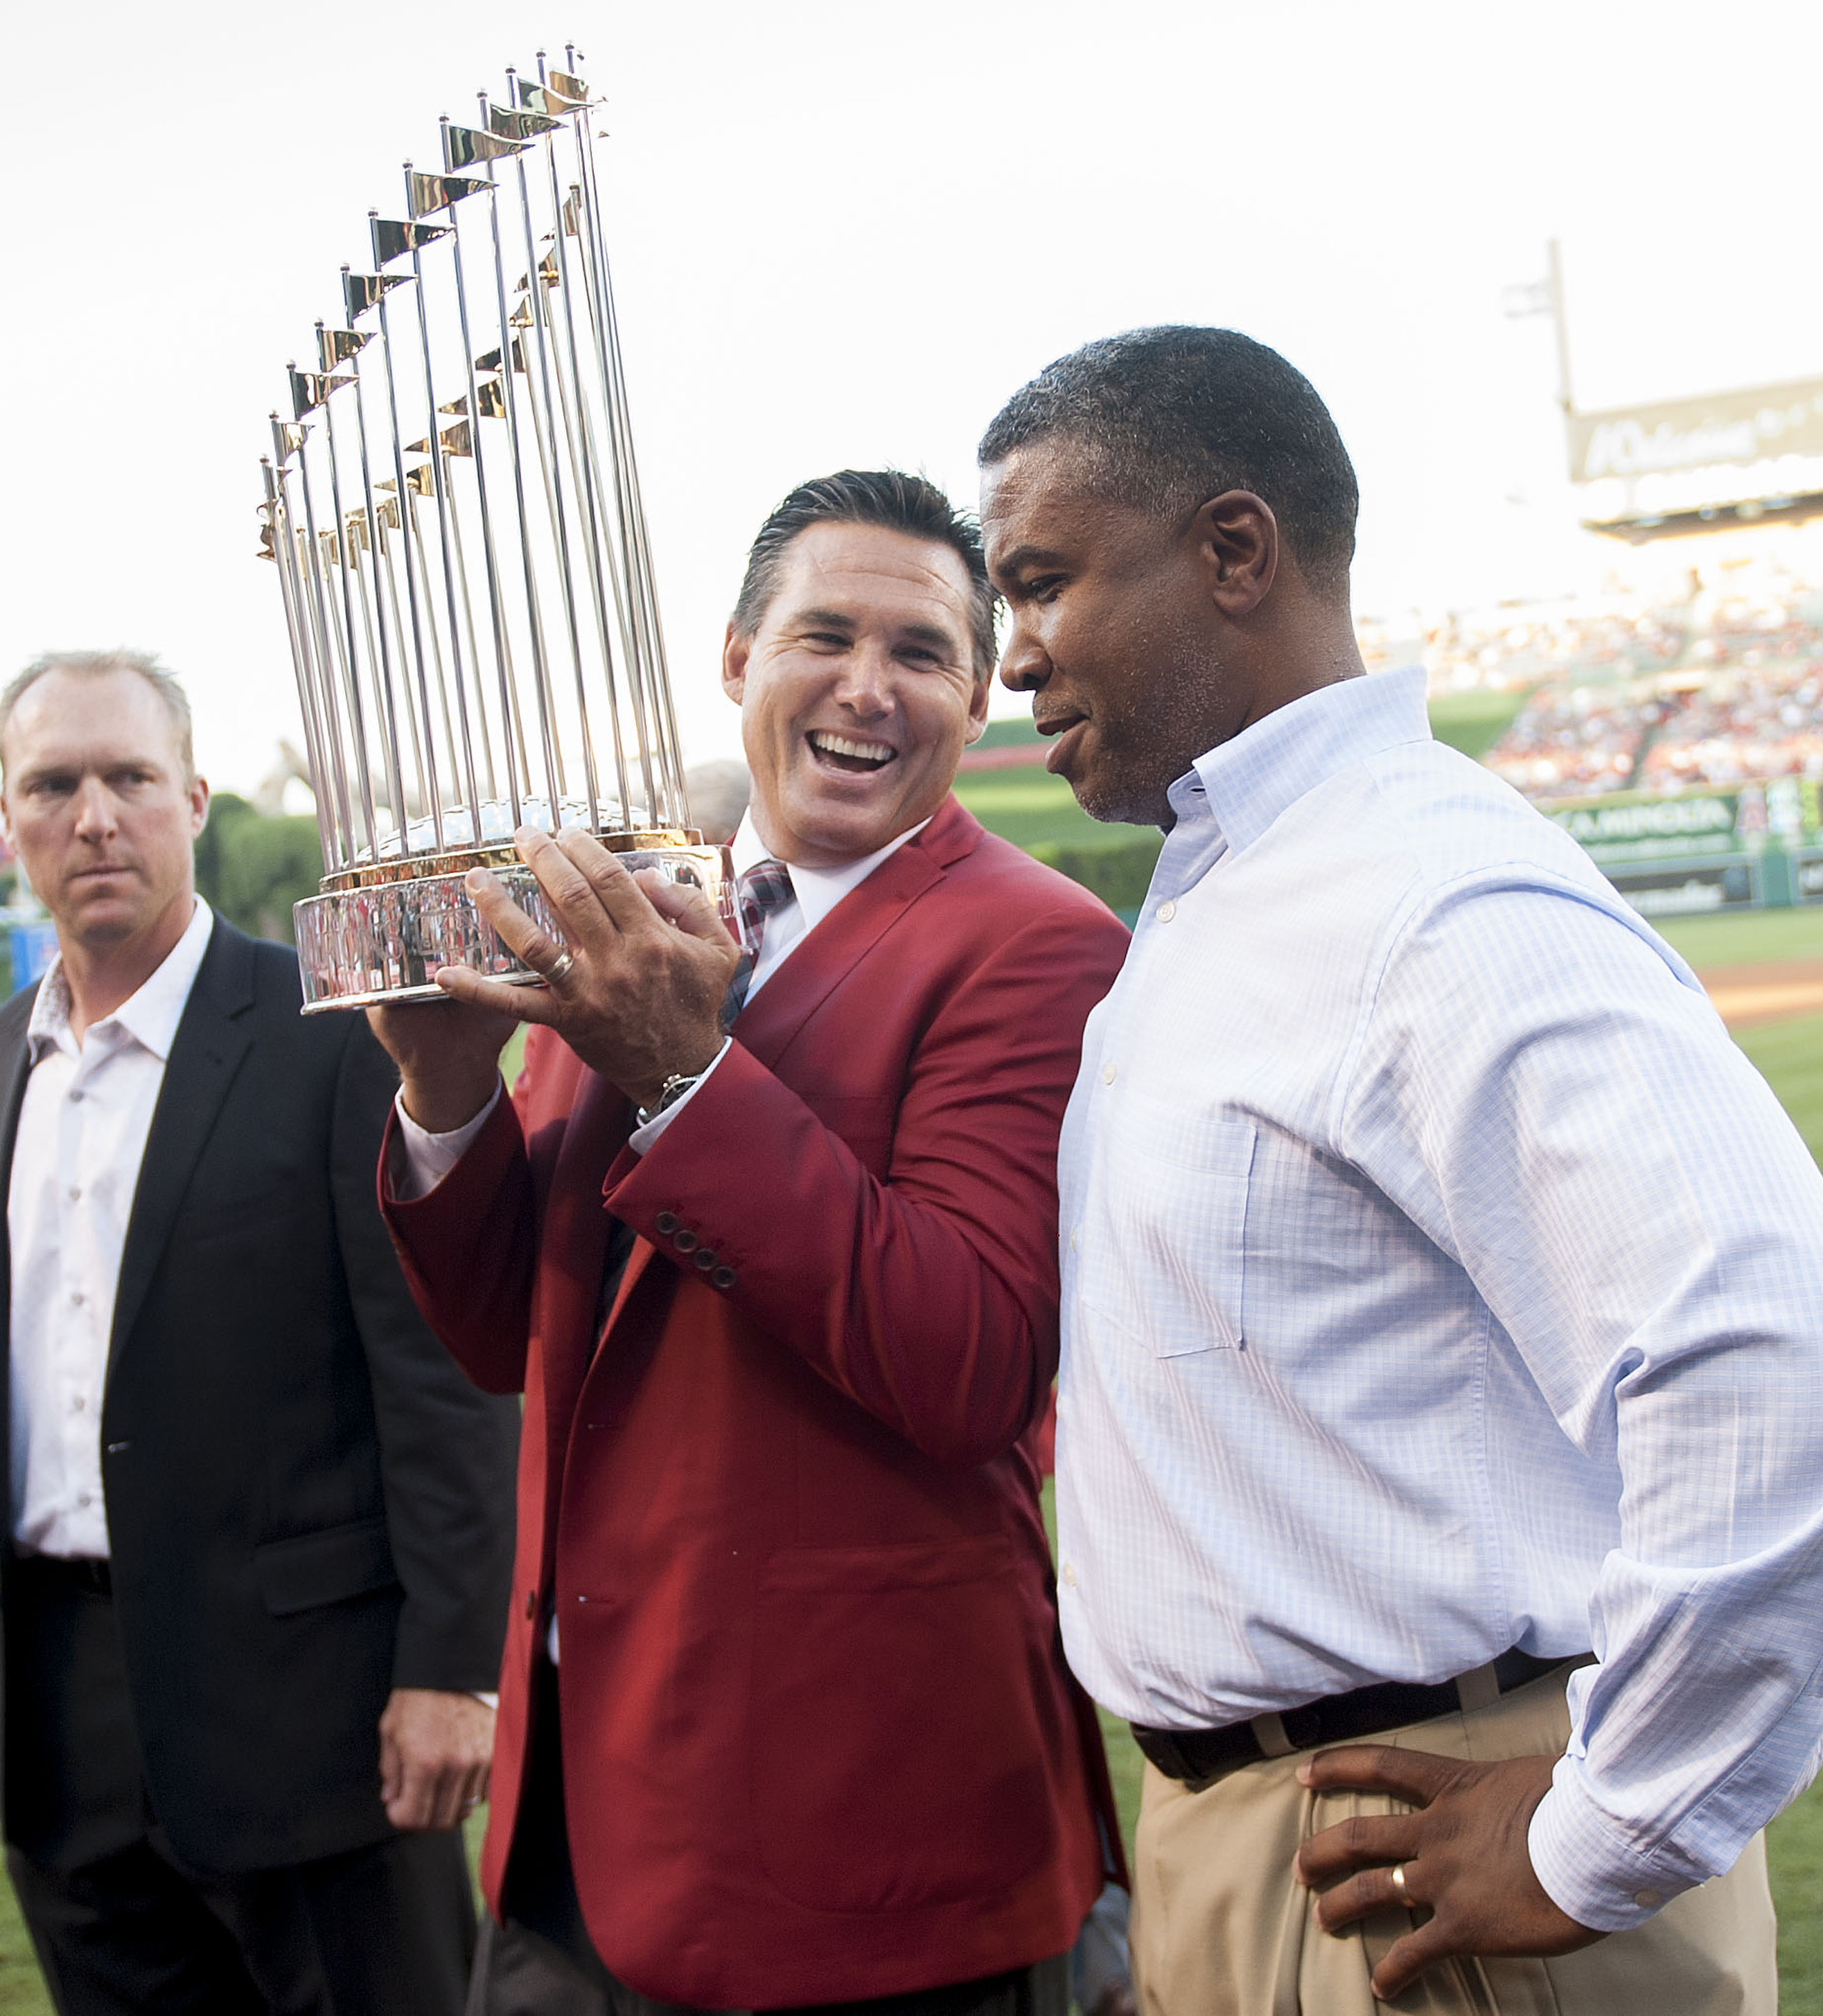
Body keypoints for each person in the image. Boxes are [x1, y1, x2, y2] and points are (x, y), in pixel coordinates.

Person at [978, 328, 1823, 2015]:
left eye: (1042, 582)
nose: (1013, 658)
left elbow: (1787, 1362)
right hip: (1255, 1835)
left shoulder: (1425, 894)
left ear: (1233, 551)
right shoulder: (1238, 885)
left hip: (1422, 1845)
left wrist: (1604, 1831)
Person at [367, 470, 1131, 2015]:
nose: (867, 687)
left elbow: (971, 1363)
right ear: (736, 660)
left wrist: (681, 1072)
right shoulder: (641, 911)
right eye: (822, 637)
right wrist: (444, 1095)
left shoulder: (1038, 944)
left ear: (975, 697)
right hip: (576, 1805)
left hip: (858, 1827)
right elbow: (512, 1336)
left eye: (919, 653)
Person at [0, 650, 520, 2016]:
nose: (94, 818)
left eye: (128, 778)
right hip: (62, 1700)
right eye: (52, 785)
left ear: (191, 798)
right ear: (6, 818)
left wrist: (451, 1670)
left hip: (310, 1716)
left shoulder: (335, 1032)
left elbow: (441, 1369)